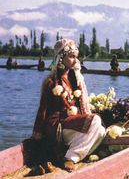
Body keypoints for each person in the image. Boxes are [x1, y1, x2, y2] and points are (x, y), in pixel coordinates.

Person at [31, 38, 106, 172]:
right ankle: (70, 158)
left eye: (76, 57)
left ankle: (71, 155)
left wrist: (79, 77)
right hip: (57, 125)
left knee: (100, 131)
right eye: (71, 57)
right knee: (95, 119)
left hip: (71, 124)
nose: (75, 60)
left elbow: (83, 107)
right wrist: (37, 135)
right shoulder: (51, 82)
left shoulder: (75, 79)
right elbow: (42, 109)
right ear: (61, 58)